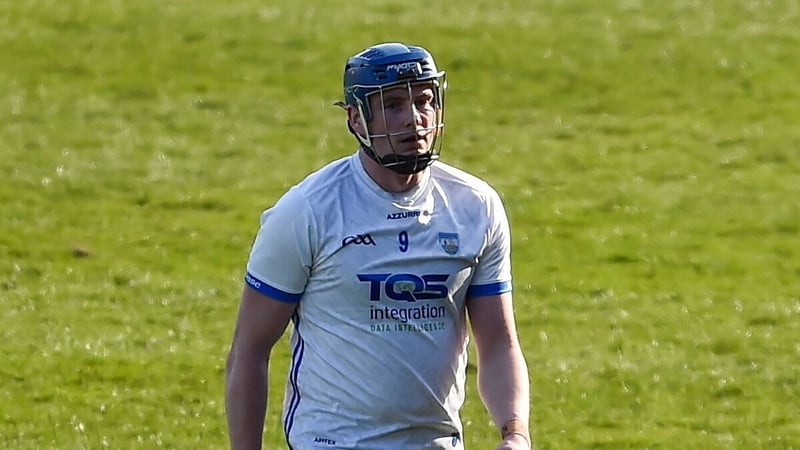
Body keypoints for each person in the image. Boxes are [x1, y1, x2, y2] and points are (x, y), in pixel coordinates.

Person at [225, 42, 531, 450]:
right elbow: (249, 349)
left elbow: (498, 342)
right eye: (393, 105)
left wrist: (515, 433)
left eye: (424, 101)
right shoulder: (308, 210)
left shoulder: (475, 207)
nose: (414, 120)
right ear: (355, 119)